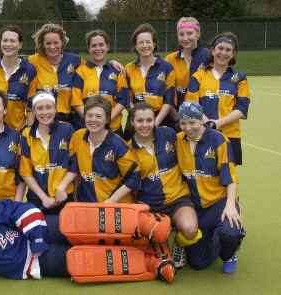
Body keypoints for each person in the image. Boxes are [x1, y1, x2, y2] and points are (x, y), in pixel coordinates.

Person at [107, 102, 201, 268]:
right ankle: (163, 243)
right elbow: (128, 182)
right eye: (140, 121)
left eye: (149, 120)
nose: (145, 125)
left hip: (178, 199)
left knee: (190, 229)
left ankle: (179, 244)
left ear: (154, 120)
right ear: (132, 123)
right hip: (149, 205)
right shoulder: (127, 149)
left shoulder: (169, 134)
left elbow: (193, 141)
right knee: (154, 239)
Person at [175, 101, 245, 273]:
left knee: (230, 232)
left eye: (192, 122)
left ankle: (230, 252)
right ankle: (215, 237)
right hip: (195, 206)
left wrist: (230, 205)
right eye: (183, 122)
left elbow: (230, 178)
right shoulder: (178, 140)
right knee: (198, 263)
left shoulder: (219, 140)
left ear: (201, 120)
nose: (188, 127)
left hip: (218, 202)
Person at [185, 32, 250, 165]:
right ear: (213, 50)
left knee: (229, 178)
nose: (223, 53)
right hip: (202, 132)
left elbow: (242, 109)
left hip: (231, 135)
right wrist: (207, 122)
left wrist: (218, 123)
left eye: (228, 50)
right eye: (220, 48)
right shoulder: (198, 76)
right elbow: (192, 104)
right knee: (205, 176)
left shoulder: (240, 78)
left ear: (233, 54)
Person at [56, 96, 136, 203]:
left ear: (107, 119)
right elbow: (74, 166)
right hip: (86, 203)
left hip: (115, 205)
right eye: (89, 115)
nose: (93, 120)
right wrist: (62, 186)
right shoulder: (77, 137)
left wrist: (112, 200)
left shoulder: (118, 145)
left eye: (98, 116)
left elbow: (134, 177)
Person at [20, 92, 74, 214]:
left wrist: (62, 187)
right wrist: (43, 197)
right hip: (37, 199)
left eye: (49, 107)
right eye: (39, 108)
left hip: (64, 196)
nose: (45, 112)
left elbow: (74, 164)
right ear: (33, 111)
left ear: (55, 109)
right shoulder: (26, 134)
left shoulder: (67, 130)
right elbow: (25, 171)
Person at [0, 25, 37, 131]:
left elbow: (30, 104)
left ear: (20, 45)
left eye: (12, 41)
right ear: (0, 43)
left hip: (17, 131)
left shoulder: (29, 70)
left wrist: (29, 130)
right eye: (5, 40)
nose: (8, 44)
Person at [72, 29, 130, 134]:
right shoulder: (80, 71)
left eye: (101, 45)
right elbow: (76, 102)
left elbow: (122, 100)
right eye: (94, 45)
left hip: (112, 128)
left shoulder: (117, 70)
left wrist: (106, 120)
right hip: (87, 128)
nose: (98, 48)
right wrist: (91, 121)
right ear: (88, 49)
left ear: (107, 46)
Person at [124, 23, 175, 135]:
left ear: (154, 44)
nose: (145, 45)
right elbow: (128, 99)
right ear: (135, 46)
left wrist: (154, 124)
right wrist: (138, 121)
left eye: (148, 42)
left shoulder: (167, 68)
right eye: (141, 42)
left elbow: (168, 101)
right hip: (137, 122)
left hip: (160, 120)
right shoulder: (128, 68)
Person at [165, 17, 209, 112]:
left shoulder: (209, 57)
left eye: (189, 33)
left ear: (198, 34)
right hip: (178, 112)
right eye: (181, 34)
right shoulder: (170, 59)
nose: (185, 38)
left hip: (205, 112)